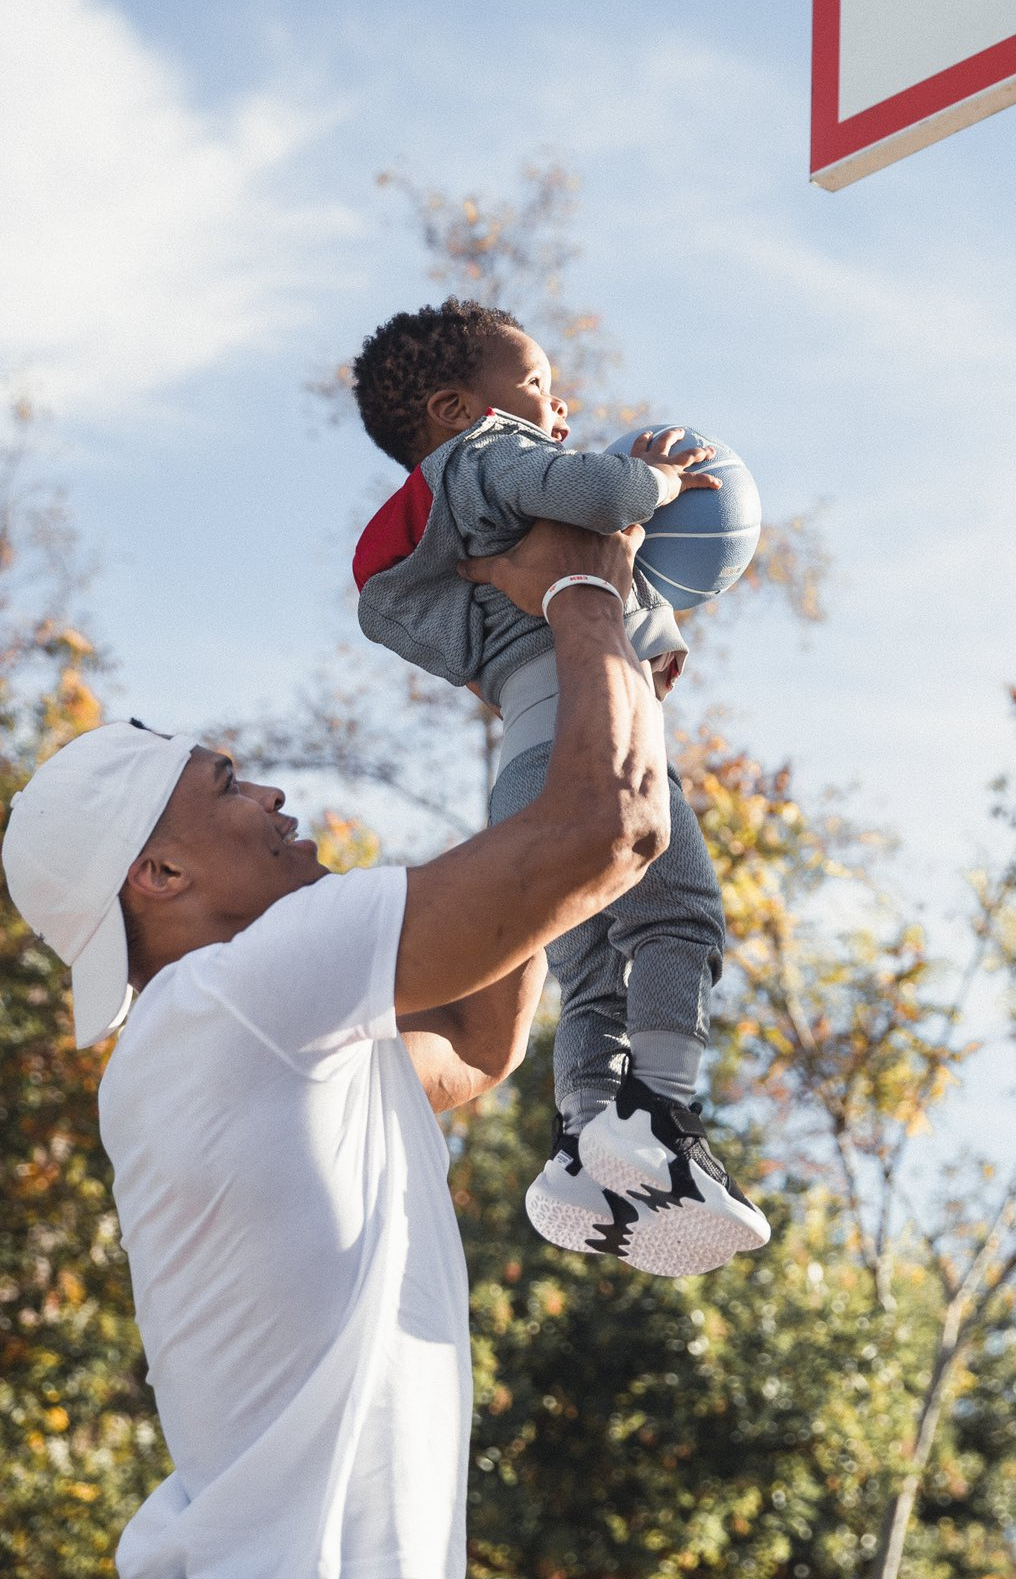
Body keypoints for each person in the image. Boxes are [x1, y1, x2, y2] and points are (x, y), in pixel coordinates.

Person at [1, 521, 672, 1579]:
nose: (270, 795)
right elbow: (612, 829)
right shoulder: (234, 995)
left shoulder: (238, 1046)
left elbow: (475, 1040)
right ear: (161, 876)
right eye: (227, 785)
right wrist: (586, 586)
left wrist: (582, 697)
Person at [348, 300, 769, 1276]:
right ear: (459, 408)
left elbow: (562, 594)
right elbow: (600, 496)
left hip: (526, 765)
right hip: (591, 741)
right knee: (680, 917)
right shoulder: (484, 456)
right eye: (535, 380)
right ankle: (660, 1111)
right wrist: (655, 478)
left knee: (589, 953)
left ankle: (587, 1133)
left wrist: (649, 633)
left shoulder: (461, 535)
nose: (557, 399)